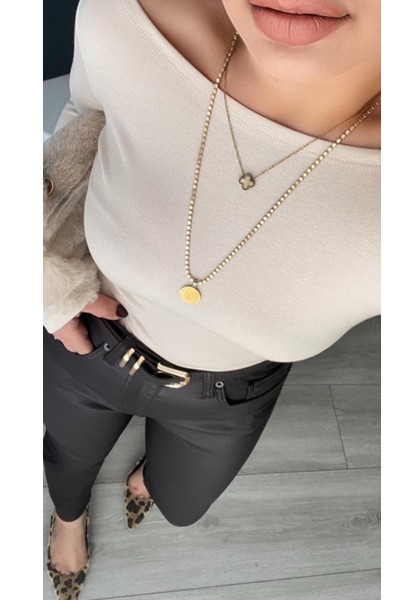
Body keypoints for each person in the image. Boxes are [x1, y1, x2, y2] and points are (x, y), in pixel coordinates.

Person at [43, 0, 381, 597]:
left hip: (227, 400)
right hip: (86, 347)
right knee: (66, 465)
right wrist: (41, 273)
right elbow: (81, 125)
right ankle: (68, 520)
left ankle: (150, 478)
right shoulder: (130, 20)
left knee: (181, 505)